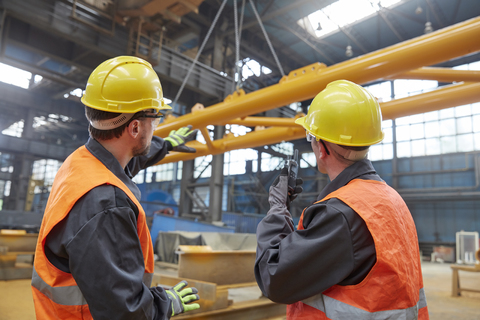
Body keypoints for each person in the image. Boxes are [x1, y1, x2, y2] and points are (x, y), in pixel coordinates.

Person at [31, 56, 201, 319]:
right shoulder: (106, 204)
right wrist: (166, 302)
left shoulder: (80, 162)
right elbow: (125, 311)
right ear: (134, 126)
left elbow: (123, 165)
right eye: (156, 118)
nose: (157, 126)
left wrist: (163, 146)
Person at [255, 80, 429, 319]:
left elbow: (273, 277)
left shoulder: (341, 214)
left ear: (322, 149)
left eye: (312, 137)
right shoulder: (391, 198)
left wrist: (277, 210)